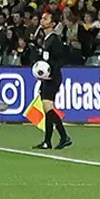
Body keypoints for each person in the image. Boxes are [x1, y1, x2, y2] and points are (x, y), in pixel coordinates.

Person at [34, 10, 72, 150]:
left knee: (48, 107)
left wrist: (51, 73)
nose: (42, 20)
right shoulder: (46, 39)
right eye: (42, 17)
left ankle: (64, 136)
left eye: (46, 18)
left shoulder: (54, 40)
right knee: (46, 109)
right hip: (47, 78)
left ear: (53, 23)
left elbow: (61, 59)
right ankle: (47, 141)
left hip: (53, 78)